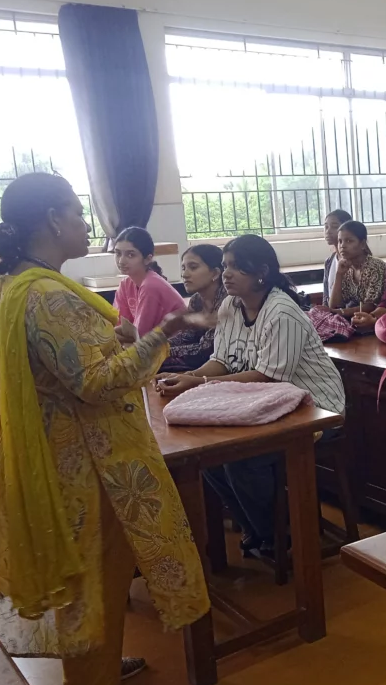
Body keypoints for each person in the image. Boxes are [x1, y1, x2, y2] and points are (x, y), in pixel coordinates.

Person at [0, 173, 209, 685]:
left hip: (63, 451)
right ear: (52, 220)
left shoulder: (17, 283)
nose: (84, 222)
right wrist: (161, 333)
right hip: (83, 463)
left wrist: (120, 339)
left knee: (105, 573)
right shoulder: (45, 295)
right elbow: (93, 382)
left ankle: (100, 662)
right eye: (76, 211)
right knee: (90, 576)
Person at [156, 235, 345, 555]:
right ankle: (258, 529)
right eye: (225, 266)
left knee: (243, 460)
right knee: (210, 459)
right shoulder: (231, 305)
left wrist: (200, 383)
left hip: (315, 407)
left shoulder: (281, 312)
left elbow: (269, 376)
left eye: (236, 267)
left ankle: (278, 536)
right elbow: (221, 360)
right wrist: (187, 377)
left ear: (261, 272)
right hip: (261, 401)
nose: (226, 274)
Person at [160, 244, 228, 373]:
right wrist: (153, 348)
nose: (184, 274)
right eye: (183, 268)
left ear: (215, 273)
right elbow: (187, 336)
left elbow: (205, 351)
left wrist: (156, 355)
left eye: (193, 267)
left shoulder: (227, 301)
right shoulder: (197, 300)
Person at [112, 226, 186, 336]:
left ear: (147, 259)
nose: (121, 261)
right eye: (118, 253)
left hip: (176, 342)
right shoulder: (125, 285)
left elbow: (140, 333)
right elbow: (121, 324)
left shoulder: (151, 285)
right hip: (149, 341)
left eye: (131, 255)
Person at [327, 220, 386, 317]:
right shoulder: (347, 268)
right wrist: (339, 275)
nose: (342, 246)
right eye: (340, 241)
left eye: (349, 241)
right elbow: (334, 305)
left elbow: (370, 307)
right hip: (355, 318)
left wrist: (340, 312)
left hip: (373, 319)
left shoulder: (375, 266)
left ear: (362, 244)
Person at [321, 209, 353, 305]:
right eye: (326, 226)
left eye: (334, 227)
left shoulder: (353, 262)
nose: (328, 231)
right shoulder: (329, 262)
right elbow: (326, 298)